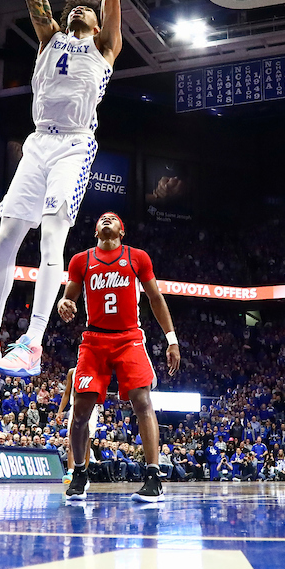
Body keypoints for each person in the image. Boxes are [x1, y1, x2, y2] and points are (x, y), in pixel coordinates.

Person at [0, 0, 124, 378]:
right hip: (38, 142)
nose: (84, 9)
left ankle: (32, 343)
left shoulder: (105, 47)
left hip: (74, 144)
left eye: (88, 10)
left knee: (52, 236)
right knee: (7, 236)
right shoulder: (49, 38)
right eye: (78, 8)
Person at [55, 212, 180, 502]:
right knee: (80, 412)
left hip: (128, 338)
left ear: (122, 232)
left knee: (142, 400)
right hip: (94, 340)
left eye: (113, 218)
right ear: (96, 231)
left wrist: (171, 339)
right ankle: (80, 473)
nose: (107, 220)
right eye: (102, 218)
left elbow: (156, 298)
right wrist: (64, 304)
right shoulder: (80, 260)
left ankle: (152, 476)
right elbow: (69, 298)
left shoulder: (137, 257)